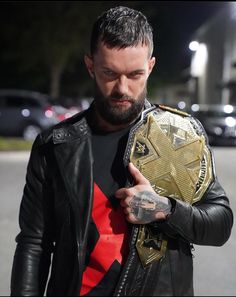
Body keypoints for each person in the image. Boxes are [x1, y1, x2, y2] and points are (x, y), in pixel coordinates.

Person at [10, 6, 233, 296]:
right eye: (110, 73)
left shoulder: (182, 136)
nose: (122, 88)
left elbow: (220, 225)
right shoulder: (54, 146)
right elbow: (33, 242)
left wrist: (166, 210)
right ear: (91, 66)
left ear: (150, 66)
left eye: (135, 74)